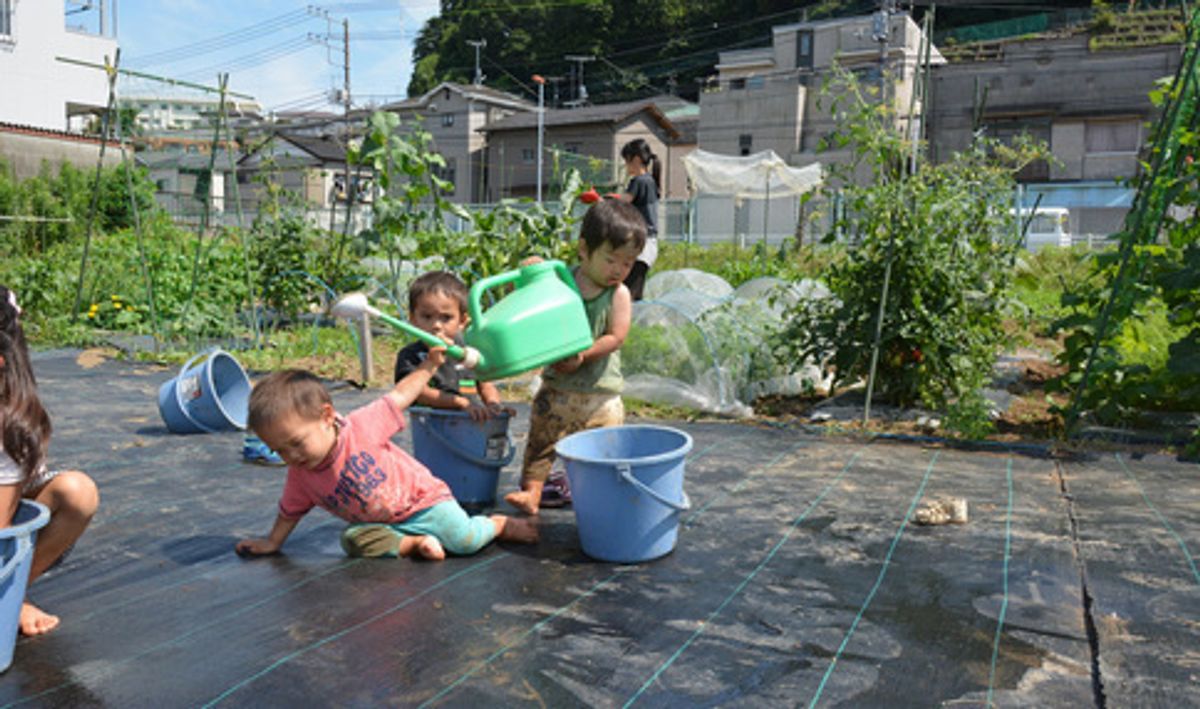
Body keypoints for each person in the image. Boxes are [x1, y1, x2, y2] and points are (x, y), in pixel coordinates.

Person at [234, 358, 537, 562]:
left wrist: (429, 365)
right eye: (279, 451)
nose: (291, 457)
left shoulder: (362, 426)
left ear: (327, 416)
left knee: (464, 541)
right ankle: (414, 544)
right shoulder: (301, 475)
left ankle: (496, 525)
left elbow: (401, 396)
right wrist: (272, 542)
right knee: (353, 541)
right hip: (384, 525)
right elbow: (289, 512)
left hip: (423, 503)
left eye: (296, 443)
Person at [504, 200, 645, 514]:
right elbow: (530, 299)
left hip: (600, 395)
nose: (619, 270)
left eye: (628, 263)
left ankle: (601, 500)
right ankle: (532, 493)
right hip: (557, 390)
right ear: (584, 250)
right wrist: (530, 271)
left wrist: (583, 356)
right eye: (611, 260)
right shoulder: (561, 281)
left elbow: (616, 336)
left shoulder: (618, 294)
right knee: (541, 444)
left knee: (604, 452)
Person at [0, 286, 100, 636]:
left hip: (7, 522)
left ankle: (9, 596)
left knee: (78, 491)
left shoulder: (8, 425)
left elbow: (1, 529)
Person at [393, 271, 506, 421]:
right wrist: (459, 402)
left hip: (471, 425)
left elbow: (485, 384)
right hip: (432, 430)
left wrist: (494, 405)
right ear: (413, 319)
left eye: (446, 318)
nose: (436, 325)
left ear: (462, 321)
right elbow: (418, 392)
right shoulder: (411, 356)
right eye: (427, 317)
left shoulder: (468, 351)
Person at [614, 138, 661, 301]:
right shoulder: (650, 181)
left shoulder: (639, 181)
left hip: (642, 245)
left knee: (629, 292)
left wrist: (600, 200)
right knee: (634, 290)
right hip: (649, 244)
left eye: (626, 161)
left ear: (636, 160)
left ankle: (628, 322)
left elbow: (622, 202)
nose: (625, 166)